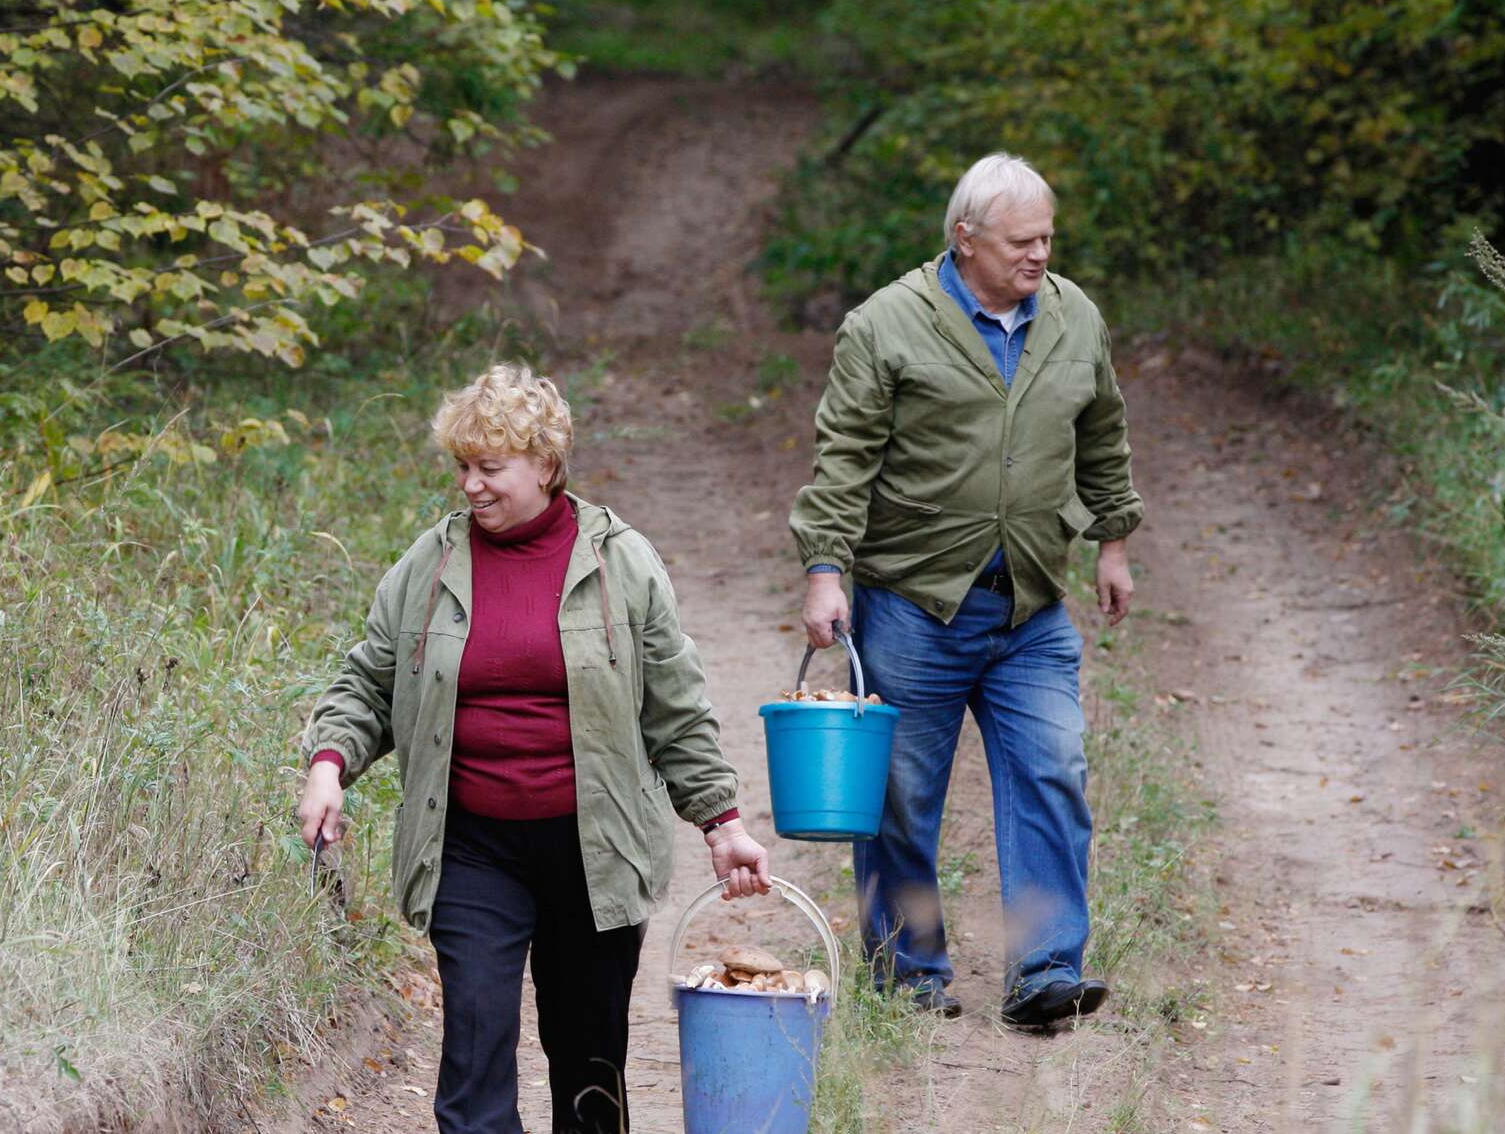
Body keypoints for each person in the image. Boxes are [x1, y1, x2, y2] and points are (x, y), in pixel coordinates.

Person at [297, 363, 771, 1133]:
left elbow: (676, 709)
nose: (472, 486)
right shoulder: (430, 566)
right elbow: (369, 683)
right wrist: (329, 766)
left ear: (546, 465)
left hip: (596, 846)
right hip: (471, 846)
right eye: (462, 467)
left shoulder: (622, 564)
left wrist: (722, 821)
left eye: (491, 467)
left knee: (588, 1063)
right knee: (474, 1054)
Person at [788, 153, 1142, 1028]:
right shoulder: (887, 325)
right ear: (965, 237)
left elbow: (1103, 431)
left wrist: (1113, 540)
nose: (1038, 255)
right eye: (1022, 240)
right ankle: (908, 972)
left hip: (1030, 603)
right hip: (914, 602)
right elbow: (845, 458)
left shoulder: (1073, 317)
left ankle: (1046, 972)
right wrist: (825, 569)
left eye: (1048, 238)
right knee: (902, 795)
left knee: (1053, 769)